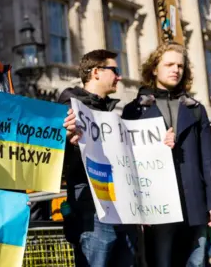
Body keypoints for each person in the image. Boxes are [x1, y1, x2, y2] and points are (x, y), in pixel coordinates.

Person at [122, 42, 211, 267]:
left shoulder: (196, 108)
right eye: (169, 64)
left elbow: (209, 161)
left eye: (180, 66)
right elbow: (127, 162)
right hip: (157, 205)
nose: (176, 69)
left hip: (194, 202)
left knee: (196, 263)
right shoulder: (134, 110)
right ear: (154, 68)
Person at [59, 49, 139, 266]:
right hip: (91, 209)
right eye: (115, 70)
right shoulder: (68, 109)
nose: (119, 77)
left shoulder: (111, 113)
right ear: (96, 72)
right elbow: (54, 158)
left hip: (122, 206)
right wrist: (67, 140)